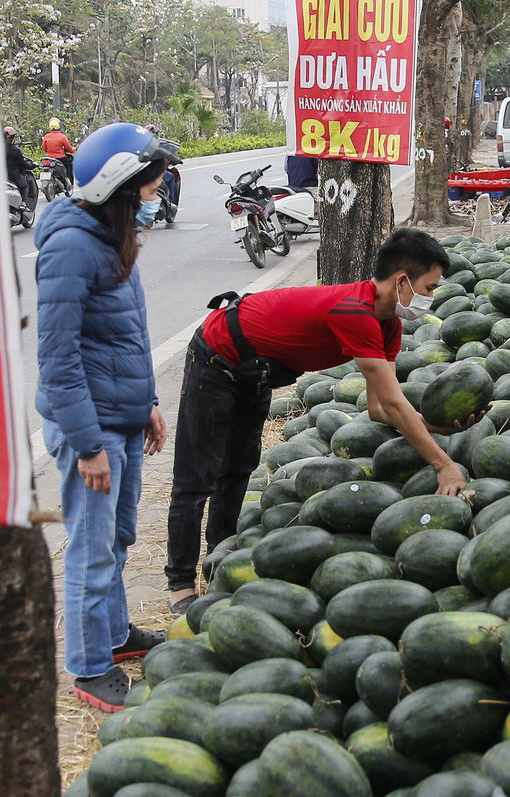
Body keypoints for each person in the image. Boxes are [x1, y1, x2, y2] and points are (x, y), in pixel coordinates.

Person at [164, 228, 457, 613]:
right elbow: (393, 403)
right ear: (403, 281)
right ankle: (181, 584)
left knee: (237, 468)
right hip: (217, 356)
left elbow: (380, 409)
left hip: (257, 369)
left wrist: (439, 428)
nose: (431, 297)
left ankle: (218, 559)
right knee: (197, 477)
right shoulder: (355, 312)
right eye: (430, 287)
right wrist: (444, 465)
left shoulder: (388, 323)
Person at [35, 121, 181, 711]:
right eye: (147, 193)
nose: (155, 201)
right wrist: (88, 442)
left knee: (118, 538)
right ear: (116, 191)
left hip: (119, 417)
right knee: (92, 549)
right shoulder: (72, 246)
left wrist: (145, 403)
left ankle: (115, 636)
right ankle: (90, 666)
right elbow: (57, 357)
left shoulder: (112, 238)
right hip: (88, 428)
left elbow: (125, 335)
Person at [2, 126, 37, 207]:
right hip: (12, 175)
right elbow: (23, 164)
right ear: (13, 138)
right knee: (24, 185)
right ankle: (23, 203)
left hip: (1, 176)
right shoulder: (15, 150)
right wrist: (32, 166)